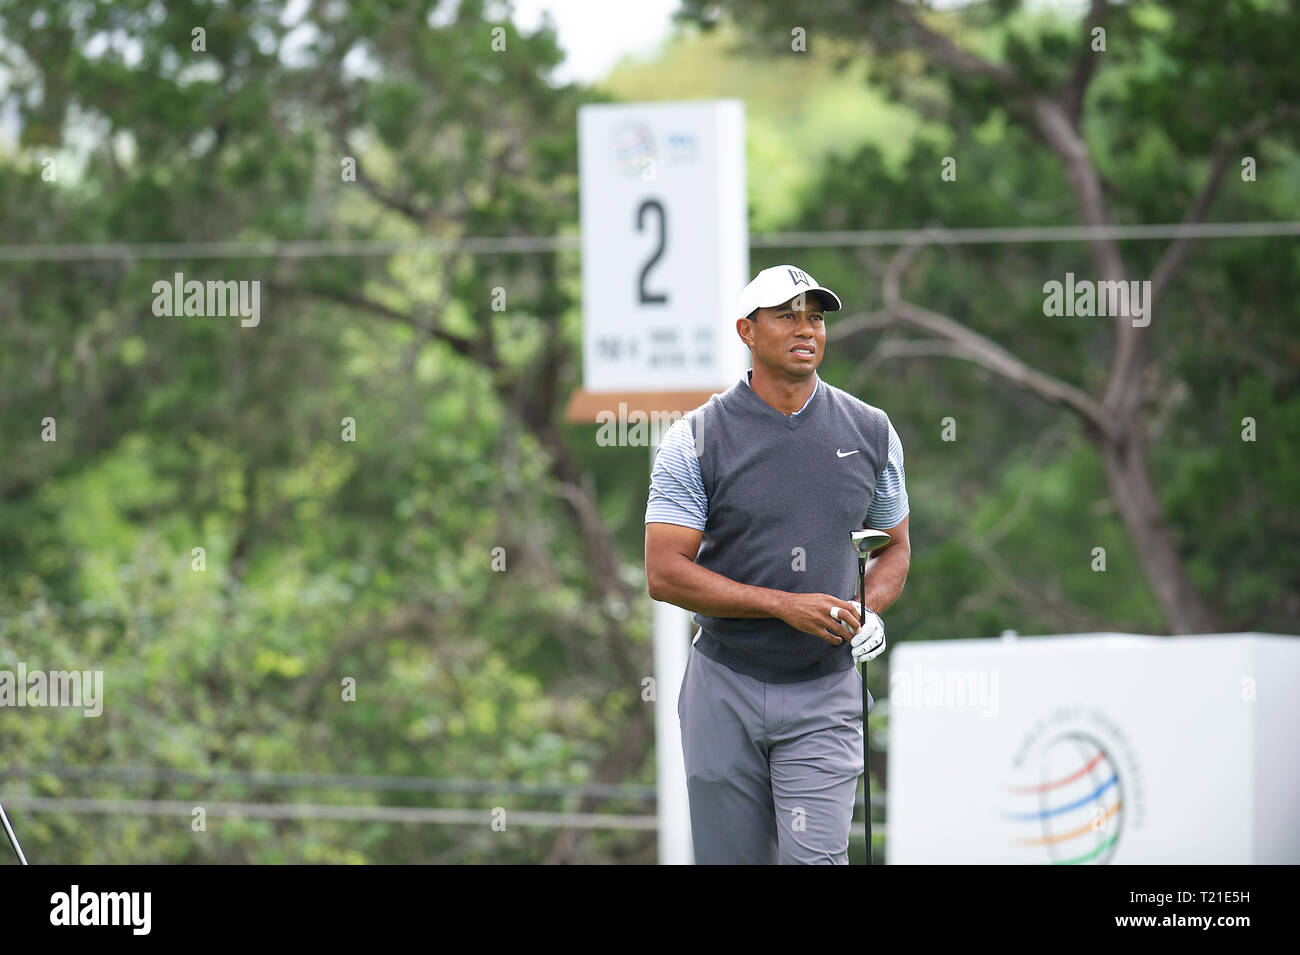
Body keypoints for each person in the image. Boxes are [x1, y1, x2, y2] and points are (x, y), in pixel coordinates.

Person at [644, 264, 911, 864]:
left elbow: (894, 545)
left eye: (815, 316)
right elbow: (664, 572)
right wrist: (782, 606)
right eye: (786, 315)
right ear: (746, 330)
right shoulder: (696, 438)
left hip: (826, 687)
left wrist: (870, 610)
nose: (806, 328)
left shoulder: (871, 430)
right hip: (725, 683)